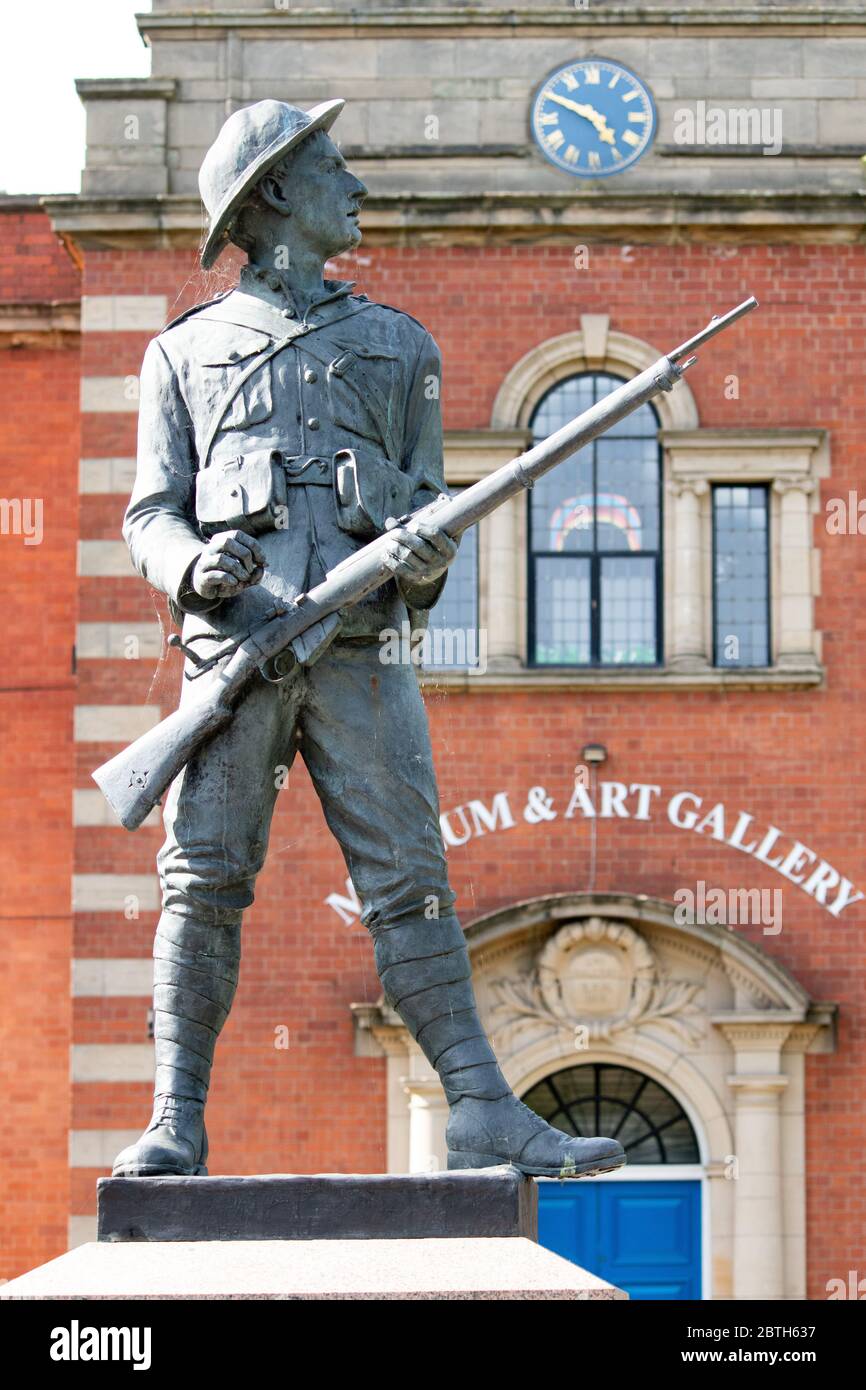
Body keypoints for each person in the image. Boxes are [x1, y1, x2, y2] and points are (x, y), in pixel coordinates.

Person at [113, 99, 626, 1181]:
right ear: (278, 196)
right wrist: (193, 568)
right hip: (236, 657)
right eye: (332, 167)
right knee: (201, 882)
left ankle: (483, 1109)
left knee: (411, 881)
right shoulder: (183, 355)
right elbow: (148, 513)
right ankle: (174, 1121)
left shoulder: (400, 347)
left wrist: (417, 549)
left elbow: (431, 514)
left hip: (362, 652)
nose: (355, 186)